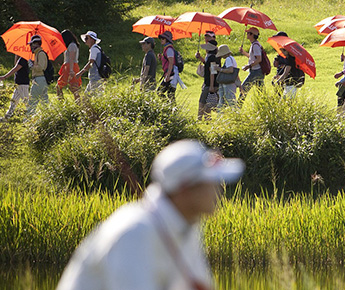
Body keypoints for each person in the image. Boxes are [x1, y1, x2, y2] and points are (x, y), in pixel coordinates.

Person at [57, 139, 244, 290]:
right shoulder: (135, 232)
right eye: (211, 182)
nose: (219, 190)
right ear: (185, 189)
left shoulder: (187, 226)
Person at [0, 54, 30, 121]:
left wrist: (4, 77)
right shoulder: (21, 59)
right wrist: (16, 56)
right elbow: (16, 64)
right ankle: (7, 117)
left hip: (23, 84)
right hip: (18, 84)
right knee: (14, 101)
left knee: (26, 102)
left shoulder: (23, 59)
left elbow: (16, 68)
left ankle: (29, 118)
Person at [239, 27, 264, 99]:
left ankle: (238, 107)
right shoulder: (254, 44)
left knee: (244, 88)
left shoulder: (255, 45)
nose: (246, 34)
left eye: (248, 33)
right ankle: (264, 106)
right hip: (257, 71)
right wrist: (243, 52)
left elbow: (259, 59)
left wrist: (248, 66)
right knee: (260, 91)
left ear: (252, 35)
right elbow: (252, 57)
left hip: (256, 71)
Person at [27, 35, 50, 113]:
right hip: (40, 79)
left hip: (39, 79)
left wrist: (32, 66)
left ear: (36, 44)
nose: (31, 46)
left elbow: (41, 67)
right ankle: (48, 118)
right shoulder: (37, 54)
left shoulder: (41, 53)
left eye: (31, 44)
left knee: (32, 101)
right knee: (44, 102)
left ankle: (27, 119)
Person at [57, 29, 81, 99]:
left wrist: (71, 70)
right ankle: (78, 103)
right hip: (70, 66)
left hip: (70, 67)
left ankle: (62, 102)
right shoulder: (72, 45)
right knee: (73, 87)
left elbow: (71, 58)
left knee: (71, 87)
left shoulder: (72, 45)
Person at [157, 31, 181, 100]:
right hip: (171, 74)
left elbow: (171, 63)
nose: (161, 40)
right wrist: (161, 58)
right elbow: (167, 61)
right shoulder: (167, 49)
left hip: (171, 75)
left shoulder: (169, 49)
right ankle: (172, 109)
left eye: (163, 39)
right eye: (161, 38)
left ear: (167, 40)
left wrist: (167, 75)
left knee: (160, 92)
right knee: (170, 95)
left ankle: (168, 108)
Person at [198, 43, 219, 120]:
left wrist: (211, 85)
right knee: (208, 103)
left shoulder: (211, 58)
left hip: (209, 84)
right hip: (211, 83)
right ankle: (207, 119)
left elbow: (212, 72)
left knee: (202, 101)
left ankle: (199, 118)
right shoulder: (213, 57)